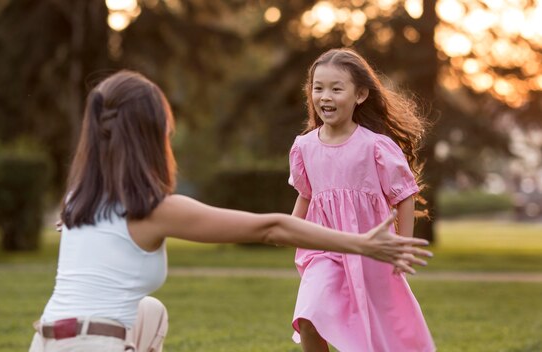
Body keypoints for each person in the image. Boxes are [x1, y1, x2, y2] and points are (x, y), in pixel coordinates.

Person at [28, 70, 432, 352]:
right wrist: (362, 244)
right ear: (149, 136)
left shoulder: (78, 200)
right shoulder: (155, 210)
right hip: (94, 345)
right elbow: (272, 227)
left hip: (47, 340)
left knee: (150, 312)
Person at [288, 48, 436, 352]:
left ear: (360, 95)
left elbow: (404, 195)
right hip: (323, 249)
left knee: (375, 333)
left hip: (371, 252)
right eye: (318, 88)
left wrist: (401, 247)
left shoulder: (376, 147)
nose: (325, 96)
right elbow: (306, 194)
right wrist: (286, 229)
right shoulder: (304, 147)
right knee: (308, 317)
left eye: (336, 88)